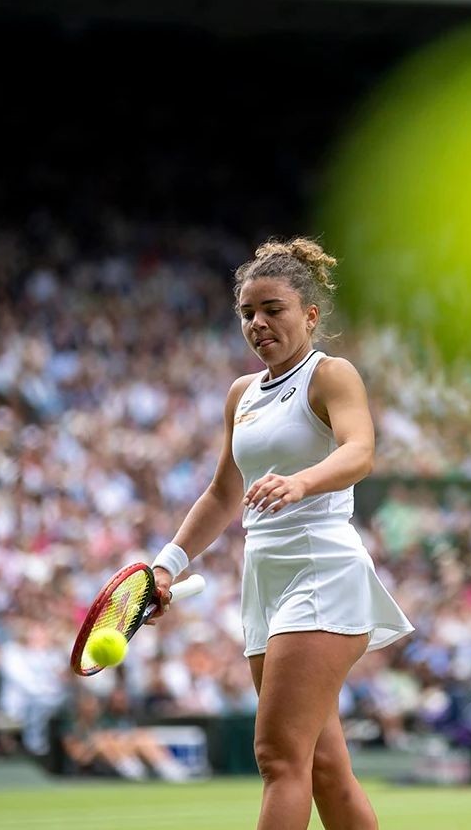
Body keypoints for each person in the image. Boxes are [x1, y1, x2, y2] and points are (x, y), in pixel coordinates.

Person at [149, 237, 413, 830]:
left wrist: (301, 482)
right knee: (323, 767)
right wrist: (167, 564)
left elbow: (360, 451)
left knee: (278, 756)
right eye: (248, 312)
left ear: (310, 315)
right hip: (264, 582)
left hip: (322, 570)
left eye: (273, 309)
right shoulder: (240, 394)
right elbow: (222, 494)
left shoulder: (331, 374)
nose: (258, 323)